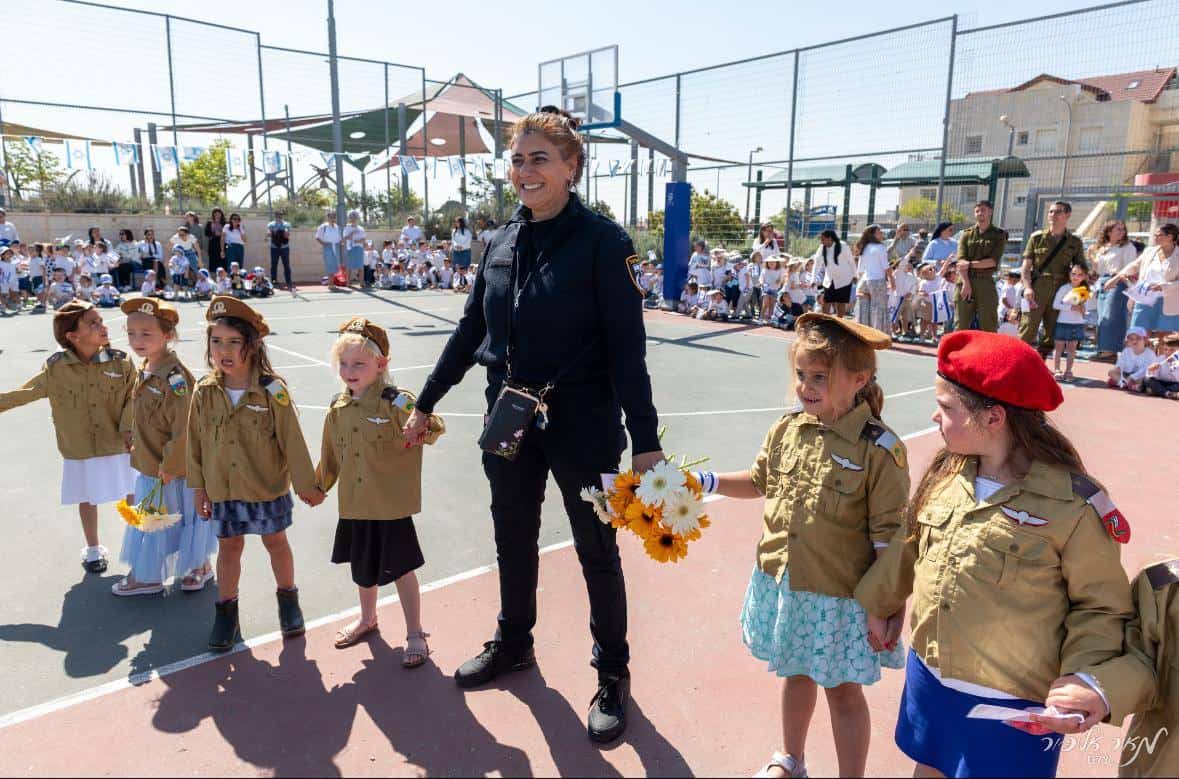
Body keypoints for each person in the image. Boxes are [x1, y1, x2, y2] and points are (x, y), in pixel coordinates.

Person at [400, 106, 665, 743]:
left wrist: (647, 442)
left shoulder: (605, 243)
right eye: (518, 159)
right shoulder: (497, 242)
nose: (525, 171)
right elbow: (471, 332)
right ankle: (514, 642)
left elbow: (628, 350)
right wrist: (427, 399)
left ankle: (612, 672)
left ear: (572, 167)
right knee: (511, 539)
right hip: (508, 421)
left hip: (584, 424)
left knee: (596, 551)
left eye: (540, 158)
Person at [855, 330, 1138, 778]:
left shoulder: (1073, 506)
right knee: (927, 769)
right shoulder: (947, 473)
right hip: (931, 680)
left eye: (947, 408)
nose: (935, 415)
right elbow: (911, 544)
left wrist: (1084, 679)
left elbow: (1100, 608)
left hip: (1009, 705)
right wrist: (881, 602)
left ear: (994, 418)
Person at [692, 313, 907, 778]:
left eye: (820, 377)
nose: (806, 387)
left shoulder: (879, 449)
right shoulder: (788, 429)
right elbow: (759, 481)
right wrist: (703, 481)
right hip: (789, 584)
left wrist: (884, 605)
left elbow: (890, 539)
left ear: (860, 379)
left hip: (843, 597)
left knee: (844, 692)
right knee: (795, 672)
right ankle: (791, 758)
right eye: (801, 375)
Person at [186, 296, 324, 653]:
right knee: (229, 548)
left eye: (234, 342)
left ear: (254, 344)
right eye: (216, 342)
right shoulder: (204, 391)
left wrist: (307, 485)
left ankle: (288, 601)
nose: (223, 350)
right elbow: (195, 442)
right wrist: (198, 487)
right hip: (223, 488)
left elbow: (292, 440)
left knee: (275, 541)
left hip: (265, 487)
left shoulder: (271, 390)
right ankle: (226, 614)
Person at [315, 318, 446, 665]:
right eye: (343, 363)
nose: (349, 370)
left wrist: (423, 427)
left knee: (402, 569)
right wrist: (319, 487)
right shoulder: (338, 408)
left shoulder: (396, 402)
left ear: (381, 364)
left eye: (359, 363)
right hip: (355, 505)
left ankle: (415, 633)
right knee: (362, 568)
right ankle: (367, 618)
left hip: (389, 505)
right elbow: (330, 455)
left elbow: (433, 426)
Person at [0, 301, 135, 574]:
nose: (103, 326)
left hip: (119, 442)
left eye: (100, 320)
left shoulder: (121, 362)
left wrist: (128, 426)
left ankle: (141, 542)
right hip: (80, 446)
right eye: (93, 323)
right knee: (87, 496)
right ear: (73, 336)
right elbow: (26, 393)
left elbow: (134, 395)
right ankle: (94, 549)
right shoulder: (56, 368)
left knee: (133, 493)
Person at [113, 297, 216, 596]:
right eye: (131, 333)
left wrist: (170, 466)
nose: (137, 340)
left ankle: (197, 567)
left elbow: (184, 426)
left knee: (179, 517)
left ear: (168, 335)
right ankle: (152, 574)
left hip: (172, 468)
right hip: (150, 462)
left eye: (147, 333)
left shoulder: (174, 378)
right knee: (157, 521)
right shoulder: (146, 368)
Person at [1019, 201, 1086, 353]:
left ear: (1067, 215)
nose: (1053, 215)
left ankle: (1040, 365)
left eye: (1058, 212)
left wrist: (1079, 298)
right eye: (1050, 212)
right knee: (1027, 328)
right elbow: (1026, 267)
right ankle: (1017, 364)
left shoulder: (1074, 242)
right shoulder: (1036, 238)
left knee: (1053, 332)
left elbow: (1081, 271)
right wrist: (1027, 287)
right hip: (1037, 288)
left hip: (1060, 291)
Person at [1109, 224, 1179, 338]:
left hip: (1169, 302)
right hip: (1144, 297)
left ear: (1170, 237)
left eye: (1159, 235)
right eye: (1155, 235)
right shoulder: (1149, 251)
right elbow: (1134, 266)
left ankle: (1161, 356)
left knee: (1166, 339)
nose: (1155, 237)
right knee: (1138, 333)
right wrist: (1116, 278)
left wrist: (1164, 286)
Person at [954, 200, 1007, 332]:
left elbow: (992, 261)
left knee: (988, 323)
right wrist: (966, 283)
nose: (979, 213)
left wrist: (970, 264)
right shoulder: (966, 234)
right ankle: (958, 352)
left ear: (990, 212)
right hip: (965, 280)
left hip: (985, 282)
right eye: (977, 211)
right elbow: (961, 262)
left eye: (983, 210)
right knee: (961, 323)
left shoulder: (999, 235)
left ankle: (989, 353)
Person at [1091, 220, 1138, 359]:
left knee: (1112, 316)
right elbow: (1099, 270)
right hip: (1103, 282)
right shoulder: (1103, 248)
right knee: (1102, 317)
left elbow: (1130, 268)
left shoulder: (1128, 246)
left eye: (1123, 229)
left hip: (1119, 282)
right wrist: (1092, 259)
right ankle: (1103, 349)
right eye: (1118, 229)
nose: (1122, 232)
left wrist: (1115, 279)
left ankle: (1110, 351)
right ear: (1108, 231)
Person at [1051, 263, 1091, 381]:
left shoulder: (1085, 290)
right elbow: (1055, 305)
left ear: (1084, 276)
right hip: (1063, 321)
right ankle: (1057, 369)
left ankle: (1069, 370)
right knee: (1059, 347)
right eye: (1073, 274)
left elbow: (1086, 309)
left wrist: (1083, 309)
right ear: (1069, 275)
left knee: (1072, 349)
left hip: (1077, 323)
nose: (1076, 276)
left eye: (1079, 274)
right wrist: (1071, 308)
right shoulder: (1064, 288)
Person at [853, 225, 891, 335]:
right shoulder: (881, 247)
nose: (882, 233)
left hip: (865, 281)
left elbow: (860, 269)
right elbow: (886, 267)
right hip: (877, 281)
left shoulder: (864, 247)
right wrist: (892, 281)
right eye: (879, 232)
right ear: (873, 234)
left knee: (864, 309)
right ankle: (879, 333)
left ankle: (862, 332)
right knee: (879, 308)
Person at [812, 229, 856, 317]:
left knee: (840, 303)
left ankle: (839, 324)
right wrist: (813, 279)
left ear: (830, 238)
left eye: (823, 239)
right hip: (829, 280)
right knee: (826, 301)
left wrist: (855, 275)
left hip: (845, 280)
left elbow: (851, 261)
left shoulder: (843, 245)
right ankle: (824, 323)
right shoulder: (821, 248)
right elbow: (817, 263)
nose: (821, 241)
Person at [1108, 326, 1156, 390]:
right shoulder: (1126, 351)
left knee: (1146, 379)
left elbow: (1146, 370)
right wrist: (1120, 372)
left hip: (1140, 376)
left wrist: (1132, 377)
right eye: (1131, 339)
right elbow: (1120, 365)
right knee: (1111, 372)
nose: (1135, 341)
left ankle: (1126, 384)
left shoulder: (1150, 354)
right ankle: (1127, 384)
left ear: (1145, 340)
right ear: (1128, 341)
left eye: (1138, 339)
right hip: (1127, 375)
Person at [1140, 334, 1179, 399]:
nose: (1168, 352)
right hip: (1160, 383)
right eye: (1165, 349)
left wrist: (1173, 363)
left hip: (1175, 384)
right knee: (1147, 380)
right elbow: (1152, 377)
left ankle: (1158, 391)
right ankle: (1168, 393)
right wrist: (1151, 370)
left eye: (1172, 350)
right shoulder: (1160, 359)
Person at [266, 210, 293, 292]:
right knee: (274, 265)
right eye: (277, 215)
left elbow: (287, 235)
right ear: (275, 216)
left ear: (282, 216)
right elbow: (268, 233)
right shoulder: (271, 224)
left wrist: (285, 231)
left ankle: (288, 282)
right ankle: (274, 282)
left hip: (284, 247)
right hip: (274, 247)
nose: (279, 216)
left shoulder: (286, 224)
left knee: (286, 265)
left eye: (280, 215)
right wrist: (271, 232)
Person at [342, 210, 366, 287]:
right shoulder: (347, 227)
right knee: (349, 266)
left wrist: (357, 241)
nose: (353, 219)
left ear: (357, 218)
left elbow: (363, 239)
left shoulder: (361, 228)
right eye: (351, 217)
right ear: (349, 218)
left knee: (360, 266)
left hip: (359, 248)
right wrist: (352, 234)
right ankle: (348, 283)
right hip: (350, 249)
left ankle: (361, 283)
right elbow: (345, 238)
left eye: (355, 217)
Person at [316, 211, 342, 280]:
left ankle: (332, 282)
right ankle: (331, 284)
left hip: (336, 247)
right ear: (328, 218)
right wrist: (324, 244)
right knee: (330, 265)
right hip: (328, 247)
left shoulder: (337, 227)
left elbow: (339, 239)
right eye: (331, 217)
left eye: (334, 217)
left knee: (335, 265)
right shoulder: (323, 226)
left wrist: (340, 243)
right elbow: (317, 237)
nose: (333, 219)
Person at [205, 208, 227, 273]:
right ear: (213, 215)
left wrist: (221, 234)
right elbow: (206, 233)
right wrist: (214, 233)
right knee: (213, 263)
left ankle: (223, 280)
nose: (217, 215)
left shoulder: (225, 223)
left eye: (219, 214)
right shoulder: (209, 223)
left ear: (221, 215)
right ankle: (215, 280)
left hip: (222, 245)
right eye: (215, 214)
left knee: (223, 262)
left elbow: (227, 233)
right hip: (213, 244)